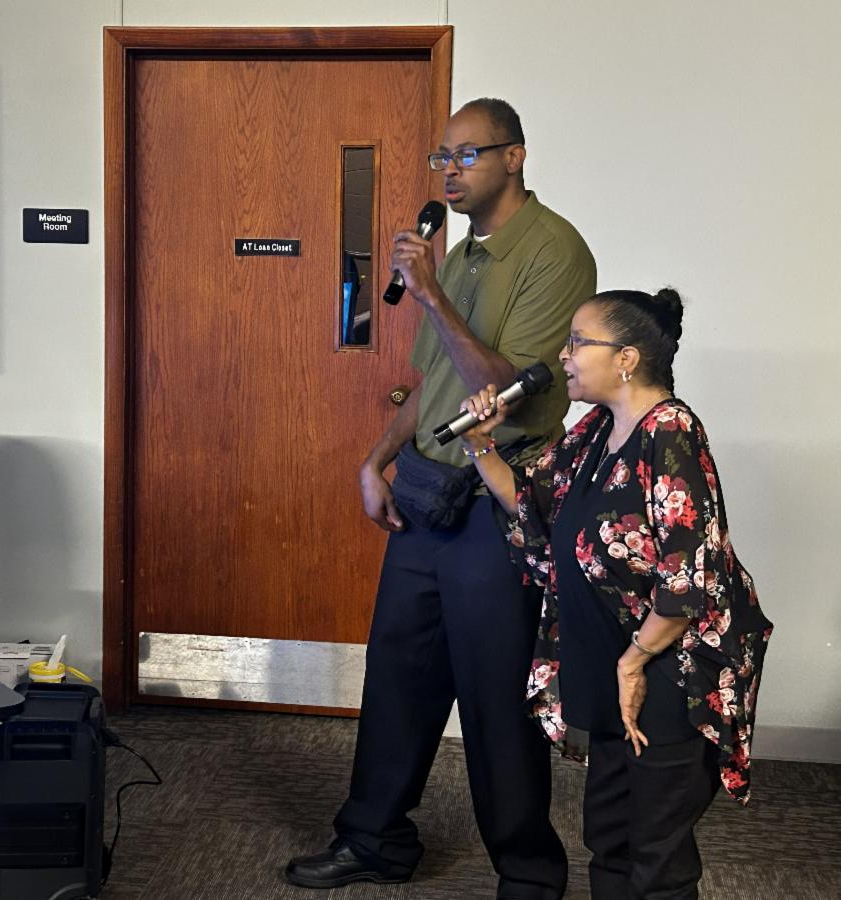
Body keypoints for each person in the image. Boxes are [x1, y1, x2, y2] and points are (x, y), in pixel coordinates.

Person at [285, 98, 595, 896]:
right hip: (426, 495)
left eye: (467, 155)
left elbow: (507, 392)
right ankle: (374, 839)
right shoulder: (456, 254)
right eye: (441, 158)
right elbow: (435, 381)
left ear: (514, 157)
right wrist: (375, 460)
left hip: (497, 498)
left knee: (495, 692)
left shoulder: (555, 251)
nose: (449, 172)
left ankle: (529, 873)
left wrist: (430, 295)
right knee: (399, 672)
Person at [457, 288, 772, 898]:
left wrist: (633, 663)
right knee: (610, 838)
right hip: (613, 664)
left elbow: (689, 577)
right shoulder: (597, 431)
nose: (563, 355)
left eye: (578, 342)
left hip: (670, 673)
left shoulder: (671, 431)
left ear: (626, 358)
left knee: (656, 854)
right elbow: (531, 504)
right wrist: (480, 441)